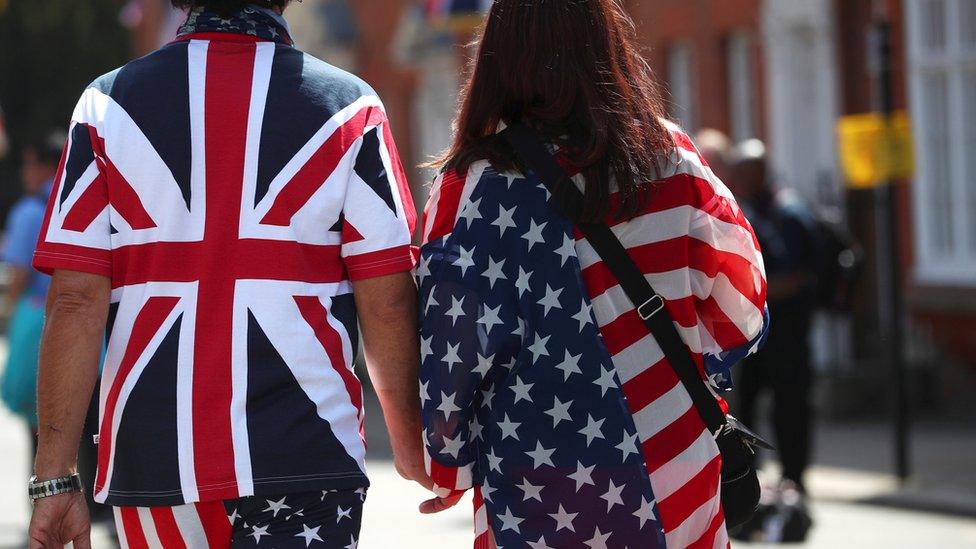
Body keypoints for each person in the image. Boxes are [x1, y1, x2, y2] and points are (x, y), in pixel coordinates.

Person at [27, 1, 429, 547]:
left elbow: (75, 300)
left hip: (155, 461)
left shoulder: (105, 105)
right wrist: (411, 442)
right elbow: (386, 299)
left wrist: (54, 478)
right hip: (305, 453)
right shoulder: (349, 107)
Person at [416, 1, 769, 547]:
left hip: (533, 484)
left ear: (498, 57)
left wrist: (446, 466)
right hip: (674, 461)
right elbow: (738, 301)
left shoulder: (472, 188)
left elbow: (451, 351)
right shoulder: (671, 159)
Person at [728, 139, 818, 493]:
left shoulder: (791, 213)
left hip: (789, 335)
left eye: (741, 172)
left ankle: (794, 478)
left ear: (759, 172)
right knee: (745, 407)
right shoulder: (750, 208)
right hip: (757, 336)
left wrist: (755, 293)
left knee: (790, 410)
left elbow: (799, 277)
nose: (735, 178)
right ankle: (749, 479)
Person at [1, 133, 60, 455]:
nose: (25, 173)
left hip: (40, 322)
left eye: (29, 165)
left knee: (39, 433)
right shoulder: (85, 204)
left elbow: (19, 275)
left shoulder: (29, 211)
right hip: (94, 330)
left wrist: (11, 312)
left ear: (46, 167)